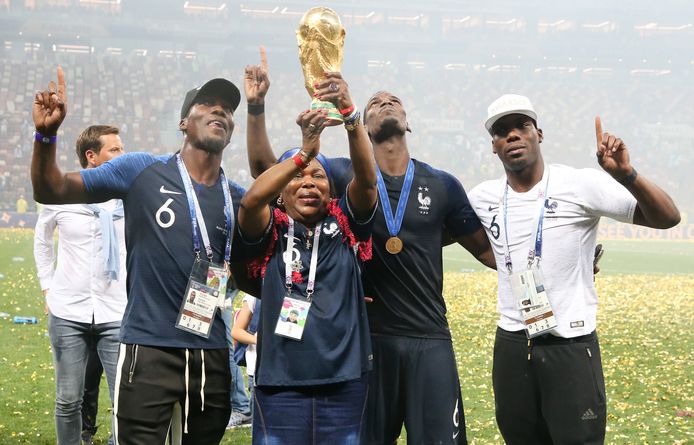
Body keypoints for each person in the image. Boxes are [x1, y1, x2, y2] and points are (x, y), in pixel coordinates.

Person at [245, 49, 494, 444]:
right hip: (366, 343)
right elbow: (268, 172)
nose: (384, 103)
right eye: (375, 102)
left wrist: (555, 262)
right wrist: (257, 108)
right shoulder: (344, 174)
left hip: (428, 335)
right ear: (364, 119)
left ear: (407, 122)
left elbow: (488, 251)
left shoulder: (443, 184)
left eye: (393, 100)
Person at [30, 67, 246, 444]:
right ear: (184, 122)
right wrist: (45, 136)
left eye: (227, 109)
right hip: (148, 348)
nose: (220, 112)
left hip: (211, 352)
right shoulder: (143, 170)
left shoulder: (237, 198)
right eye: (208, 104)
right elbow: (53, 189)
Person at [467, 94, 680, 445]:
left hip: (570, 342)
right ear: (494, 146)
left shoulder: (579, 184)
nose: (513, 136)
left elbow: (667, 217)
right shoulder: (483, 197)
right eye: (502, 131)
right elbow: (460, 240)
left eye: (522, 126)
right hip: (511, 344)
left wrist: (627, 175)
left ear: (539, 134)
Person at [237, 70, 378, 443]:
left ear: (331, 190)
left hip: (345, 381)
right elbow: (251, 200)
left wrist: (350, 116)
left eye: (318, 176)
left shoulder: (346, 224)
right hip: (280, 384)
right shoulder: (270, 229)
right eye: (298, 177)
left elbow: (366, 182)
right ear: (280, 190)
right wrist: (304, 155)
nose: (308, 183)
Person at [33, 124, 126, 445]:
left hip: (116, 311)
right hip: (68, 311)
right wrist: (47, 286)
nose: (122, 154)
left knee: (124, 402)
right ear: (92, 156)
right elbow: (42, 242)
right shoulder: (60, 194)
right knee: (67, 399)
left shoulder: (128, 197)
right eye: (114, 149)